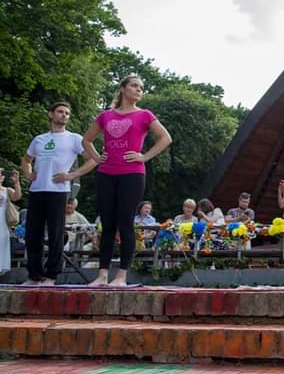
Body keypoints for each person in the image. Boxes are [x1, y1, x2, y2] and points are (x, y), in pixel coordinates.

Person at [83, 75, 172, 287]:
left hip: (132, 174)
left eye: (141, 87)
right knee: (107, 225)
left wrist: (144, 156)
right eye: (134, 85)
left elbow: (166, 138)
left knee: (125, 223)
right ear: (123, 88)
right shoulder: (106, 116)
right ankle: (102, 275)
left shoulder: (145, 115)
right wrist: (97, 158)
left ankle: (121, 276)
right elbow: (86, 140)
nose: (139, 89)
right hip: (106, 173)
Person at [20, 102, 97, 285]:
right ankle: (34, 276)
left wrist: (72, 175)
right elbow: (26, 160)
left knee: (56, 233)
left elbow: (94, 159)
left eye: (67, 113)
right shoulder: (39, 139)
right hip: (37, 189)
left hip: (58, 191)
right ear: (51, 114)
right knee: (33, 233)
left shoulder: (74, 138)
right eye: (60, 112)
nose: (64, 115)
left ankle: (51, 275)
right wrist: (28, 173)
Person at [0, 168, 22, 275]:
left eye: (1, 174)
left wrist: (16, 183)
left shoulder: (6, 190)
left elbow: (17, 197)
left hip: (2, 222)